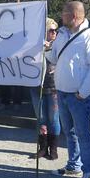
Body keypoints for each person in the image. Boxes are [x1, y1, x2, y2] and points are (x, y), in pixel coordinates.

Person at [45, 1, 90, 178]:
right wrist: (47, 48)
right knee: (69, 132)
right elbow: (54, 58)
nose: (61, 17)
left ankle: (88, 171)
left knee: (83, 133)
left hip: (80, 96)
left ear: (74, 16)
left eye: (64, 13)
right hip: (62, 92)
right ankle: (73, 165)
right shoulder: (62, 35)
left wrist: (83, 92)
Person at [30, 18, 60, 159]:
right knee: (41, 118)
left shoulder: (60, 44)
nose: (54, 33)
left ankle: (53, 148)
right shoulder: (35, 45)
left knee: (53, 119)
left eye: (55, 30)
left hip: (54, 87)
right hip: (38, 86)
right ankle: (43, 148)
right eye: (51, 30)